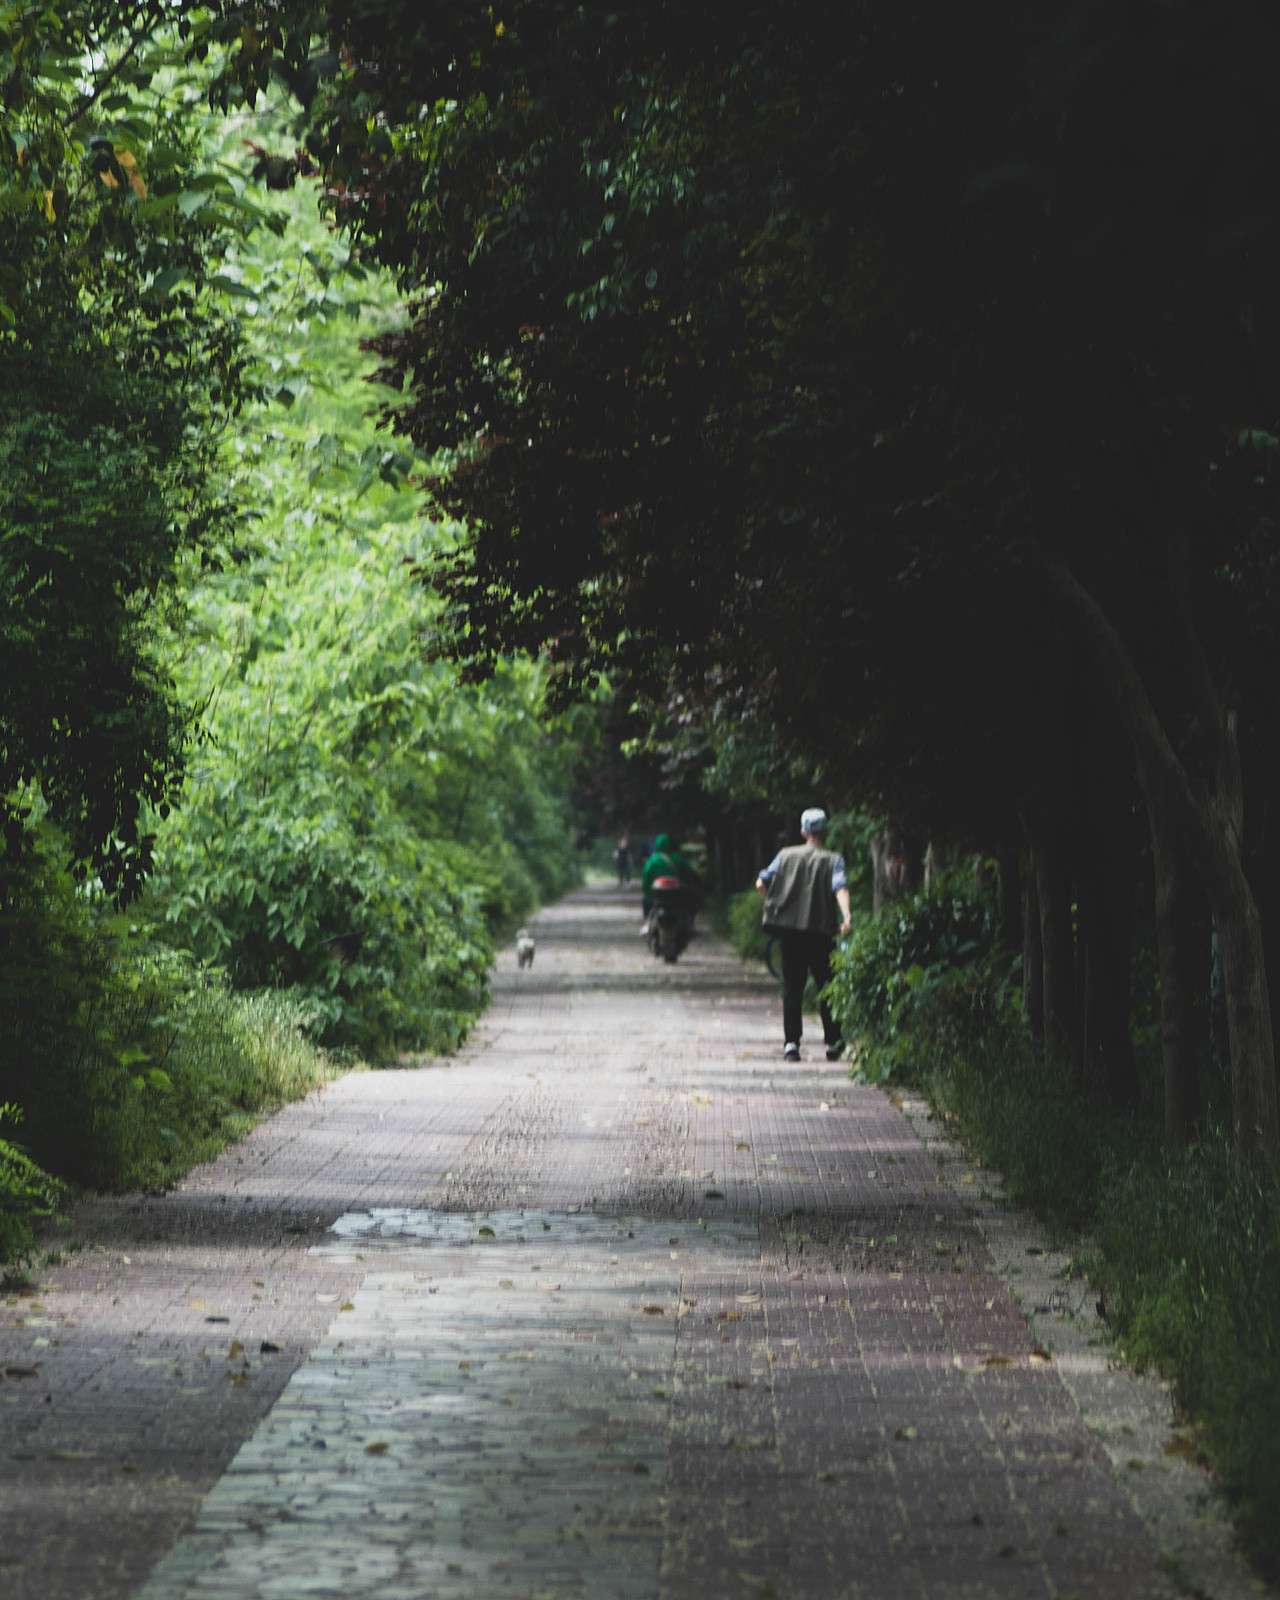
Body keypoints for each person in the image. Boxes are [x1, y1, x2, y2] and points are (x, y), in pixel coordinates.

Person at [756, 808, 852, 1062]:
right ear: (825, 833)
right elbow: (839, 887)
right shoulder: (833, 859)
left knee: (792, 987)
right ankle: (832, 1042)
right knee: (826, 986)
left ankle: (791, 1044)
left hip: (791, 933)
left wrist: (772, 905)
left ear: (803, 832)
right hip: (821, 933)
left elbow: (760, 882)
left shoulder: (786, 856)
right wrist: (847, 915)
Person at [641, 833, 693, 930]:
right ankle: (689, 923)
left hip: (657, 896)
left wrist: (647, 893)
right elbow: (688, 875)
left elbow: (646, 878)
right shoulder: (678, 859)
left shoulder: (653, 860)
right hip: (676, 896)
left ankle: (647, 923)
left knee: (646, 901)